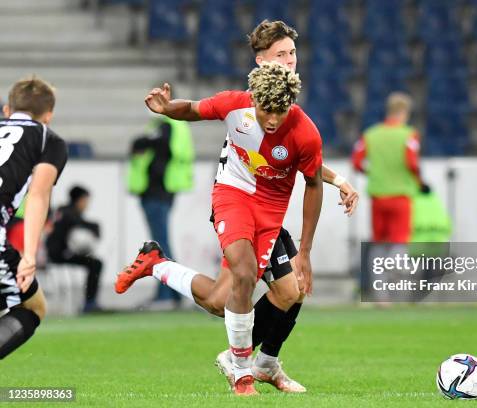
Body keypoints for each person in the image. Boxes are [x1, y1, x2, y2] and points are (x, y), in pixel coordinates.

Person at [116, 20, 358, 394]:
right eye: (281, 54)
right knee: (266, 283)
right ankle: (247, 366)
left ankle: (159, 266)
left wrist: (339, 181)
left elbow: (301, 158)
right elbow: (195, 110)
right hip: (235, 196)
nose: (291, 60)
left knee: (226, 299)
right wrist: (167, 109)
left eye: (293, 53)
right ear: (261, 62)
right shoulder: (241, 105)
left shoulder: (294, 116)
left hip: (271, 209)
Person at [0, 76, 68, 359]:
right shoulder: (47, 139)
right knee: (33, 307)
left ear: (7, 109)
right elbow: (39, 195)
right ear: (48, 115)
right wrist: (29, 255)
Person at [127, 101, 195, 307]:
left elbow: (142, 145)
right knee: (161, 242)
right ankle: (174, 293)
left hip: (157, 192)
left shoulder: (166, 126)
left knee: (159, 244)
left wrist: (141, 142)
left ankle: (166, 293)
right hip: (161, 192)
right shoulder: (174, 126)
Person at [352, 92, 424, 243]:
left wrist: (372, 173)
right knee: (399, 241)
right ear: (404, 112)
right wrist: (420, 183)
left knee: (379, 241)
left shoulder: (370, 134)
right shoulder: (409, 135)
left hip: (378, 197)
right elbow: (413, 164)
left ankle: (377, 267)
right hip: (401, 197)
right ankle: (395, 267)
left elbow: (356, 162)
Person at [46, 186, 103, 313]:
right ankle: (90, 303)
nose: (86, 204)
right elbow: (80, 224)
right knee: (96, 264)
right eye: (86, 201)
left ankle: (90, 302)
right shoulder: (68, 213)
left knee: (95, 263)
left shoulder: (63, 211)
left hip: (57, 253)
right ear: (80, 200)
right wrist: (96, 228)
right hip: (60, 254)